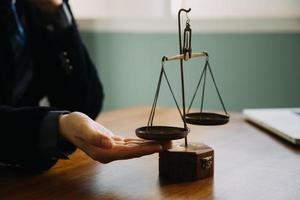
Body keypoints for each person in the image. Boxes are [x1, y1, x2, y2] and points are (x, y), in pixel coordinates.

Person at [0, 0, 168, 170]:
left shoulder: (32, 6)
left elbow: (86, 104)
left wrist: (56, 12)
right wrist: (58, 126)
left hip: (25, 170)